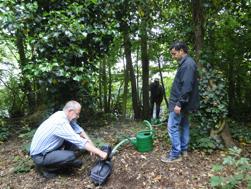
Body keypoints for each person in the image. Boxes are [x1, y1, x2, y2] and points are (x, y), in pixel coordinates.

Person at [29, 100, 108, 178]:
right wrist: (100, 153)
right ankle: (46, 168)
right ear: (70, 111)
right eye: (77, 114)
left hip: (47, 148)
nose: (78, 116)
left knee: (75, 143)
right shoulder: (60, 122)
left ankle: (60, 159)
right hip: (40, 156)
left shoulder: (62, 115)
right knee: (71, 156)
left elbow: (78, 130)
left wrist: (91, 144)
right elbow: (79, 141)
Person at [161, 41, 199, 163]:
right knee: (184, 125)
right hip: (184, 103)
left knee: (172, 127)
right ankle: (183, 150)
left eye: (174, 53)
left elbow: (187, 86)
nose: (173, 56)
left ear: (181, 51)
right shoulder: (187, 63)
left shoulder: (188, 64)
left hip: (180, 103)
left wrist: (179, 104)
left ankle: (175, 154)